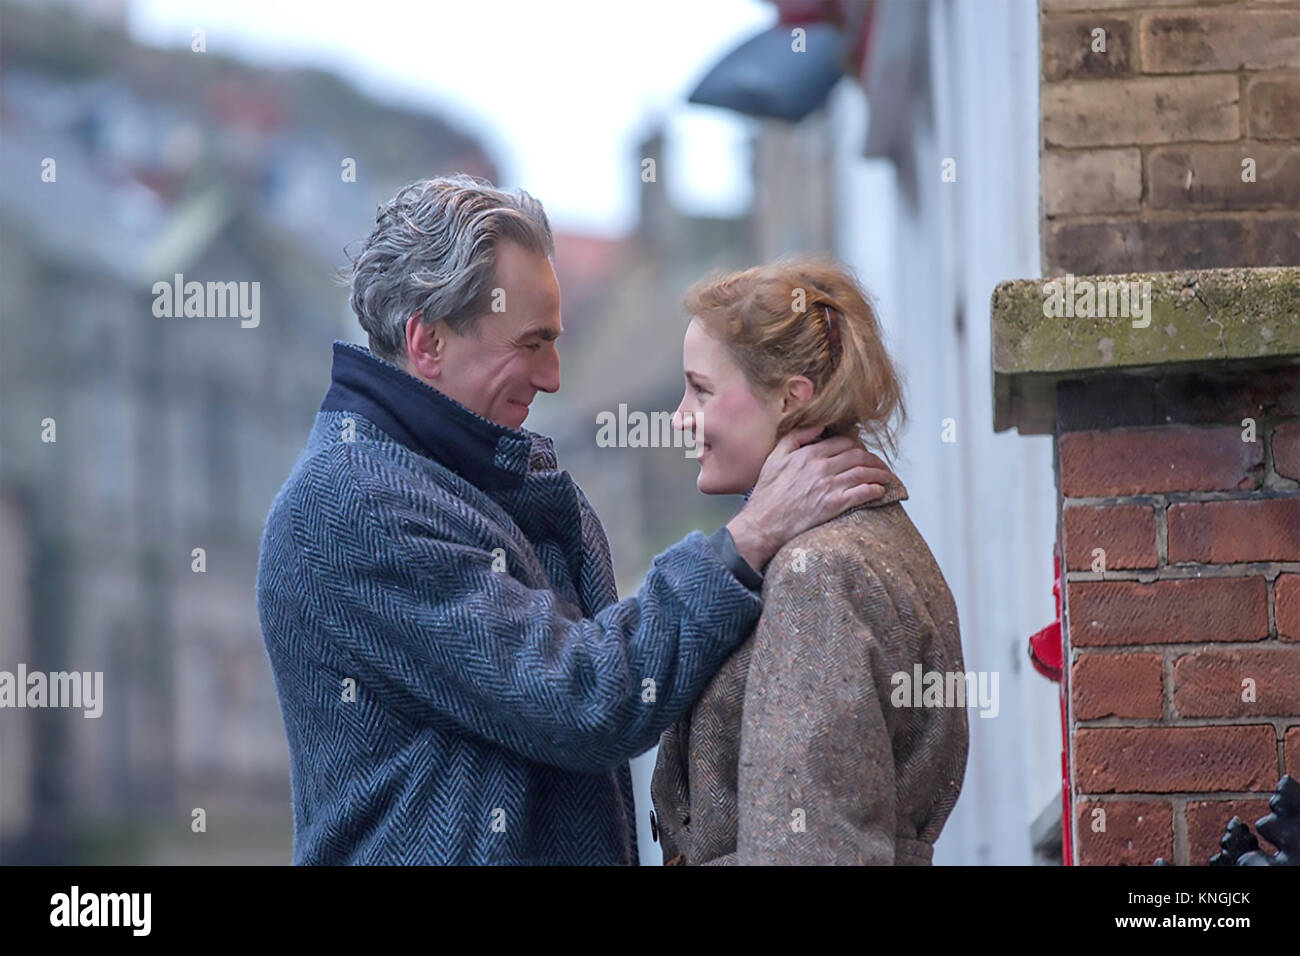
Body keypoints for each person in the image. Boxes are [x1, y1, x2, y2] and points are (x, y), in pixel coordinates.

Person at [255, 175, 896, 864]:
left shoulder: (473, 477)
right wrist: (745, 543)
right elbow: (582, 697)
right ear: (428, 341)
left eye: (555, 341)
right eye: (530, 344)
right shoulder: (354, 504)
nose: (554, 375)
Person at [650, 257, 969, 865]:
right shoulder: (859, 540)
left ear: (791, 398)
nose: (679, 417)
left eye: (702, 389)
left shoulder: (819, 572)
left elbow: (809, 849)